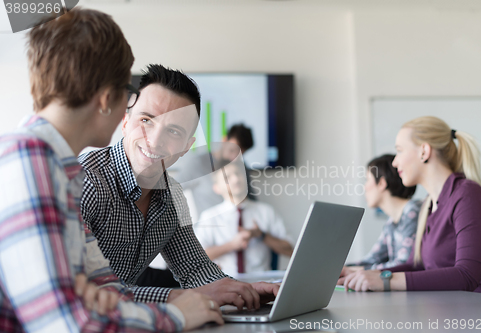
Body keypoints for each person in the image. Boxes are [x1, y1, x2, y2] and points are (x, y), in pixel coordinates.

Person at [0, 8, 223, 332]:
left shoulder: (62, 173)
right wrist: (177, 314)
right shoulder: (30, 159)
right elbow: (67, 324)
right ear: (108, 98)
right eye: (128, 95)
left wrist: (104, 303)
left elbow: (106, 290)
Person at [79, 65, 279, 308]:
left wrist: (243, 290)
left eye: (173, 130)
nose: (154, 140)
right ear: (124, 121)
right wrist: (175, 297)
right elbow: (76, 290)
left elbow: (196, 271)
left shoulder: (174, 195)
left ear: (186, 146)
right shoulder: (84, 182)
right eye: (146, 120)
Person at [339, 116, 481, 294]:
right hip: (449, 307)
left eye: (399, 151)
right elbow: (417, 265)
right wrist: (364, 274)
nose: (394, 162)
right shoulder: (428, 206)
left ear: (424, 151)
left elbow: (467, 275)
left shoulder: (468, 196)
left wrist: (386, 281)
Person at [194, 159, 294, 276]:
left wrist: (262, 235)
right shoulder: (209, 217)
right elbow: (196, 258)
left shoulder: (266, 211)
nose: (236, 179)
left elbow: (291, 250)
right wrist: (232, 245)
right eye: (228, 177)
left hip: (262, 282)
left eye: (238, 174)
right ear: (217, 188)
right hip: (225, 284)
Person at [345, 154, 421, 271]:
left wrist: (356, 272)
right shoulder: (391, 222)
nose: (364, 187)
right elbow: (372, 259)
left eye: (367, 180)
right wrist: (341, 269)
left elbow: (403, 264)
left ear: (381, 183)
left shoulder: (413, 212)